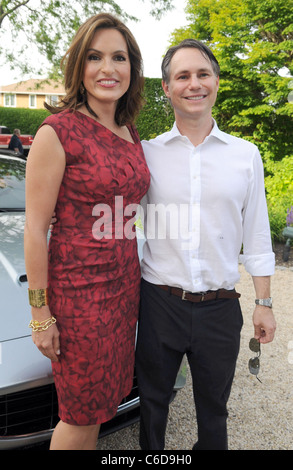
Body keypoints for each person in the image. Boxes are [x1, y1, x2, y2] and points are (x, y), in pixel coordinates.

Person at [135, 39, 276, 450]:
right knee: (153, 407)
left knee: (214, 413)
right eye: (182, 76)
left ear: (216, 82)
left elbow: (257, 234)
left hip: (220, 309)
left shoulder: (245, 155)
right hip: (159, 303)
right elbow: (116, 211)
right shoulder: (146, 153)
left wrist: (263, 303)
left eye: (203, 74)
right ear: (166, 87)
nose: (193, 84)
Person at [24, 13, 150, 450]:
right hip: (79, 300)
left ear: (132, 68)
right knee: (78, 416)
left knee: (101, 408)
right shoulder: (57, 133)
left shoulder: (127, 130)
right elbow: (36, 229)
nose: (107, 68)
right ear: (79, 65)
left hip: (123, 293)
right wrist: (40, 314)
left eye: (119, 57)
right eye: (94, 57)